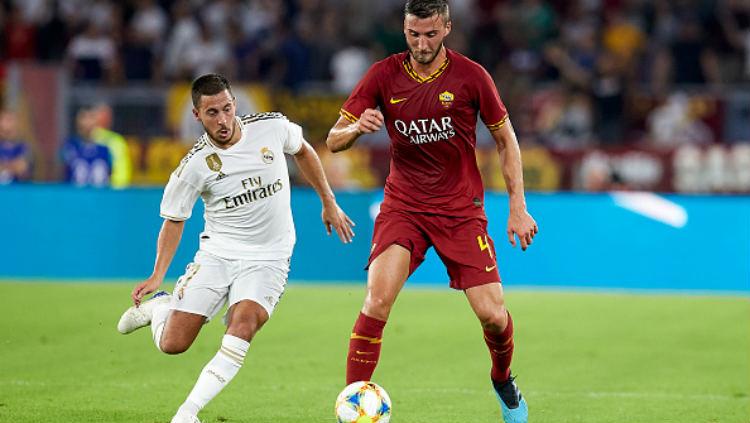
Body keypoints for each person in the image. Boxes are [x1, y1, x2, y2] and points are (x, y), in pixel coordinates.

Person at [324, 2, 538, 423]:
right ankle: (351, 407)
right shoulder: (383, 75)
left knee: (493, 317)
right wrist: (356, 128)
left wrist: (518, 207)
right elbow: (333, 140)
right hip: (404, 207)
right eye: (413, 34)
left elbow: (506, 140)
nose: (422, 44)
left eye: (430, 34)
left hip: (461, 211)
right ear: (404, 30)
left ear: (447, 29)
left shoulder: (472, 76)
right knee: (376, 302)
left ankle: (503, 379)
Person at [117, 73, 355, 423]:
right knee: (173, 344)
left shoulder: (272, 127)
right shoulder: (194, 166)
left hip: (270, 258)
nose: (223, 120)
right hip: (218, 255)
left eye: (227, 109)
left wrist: (328, 201)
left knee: (244, 324)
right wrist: (157, 274)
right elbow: (174, 219)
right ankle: (161, 308)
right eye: (212, 113)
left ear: (235, 105)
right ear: (197, 115)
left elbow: (303, 151)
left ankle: (188, 412)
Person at [61, 107, 112, 187]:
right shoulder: (70, 147)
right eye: (84, 117)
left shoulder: (104, 149)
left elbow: (110, 175)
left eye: (91, 117)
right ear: (77, 122)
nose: (87, 123)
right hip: (75, 196)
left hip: (100, 196)